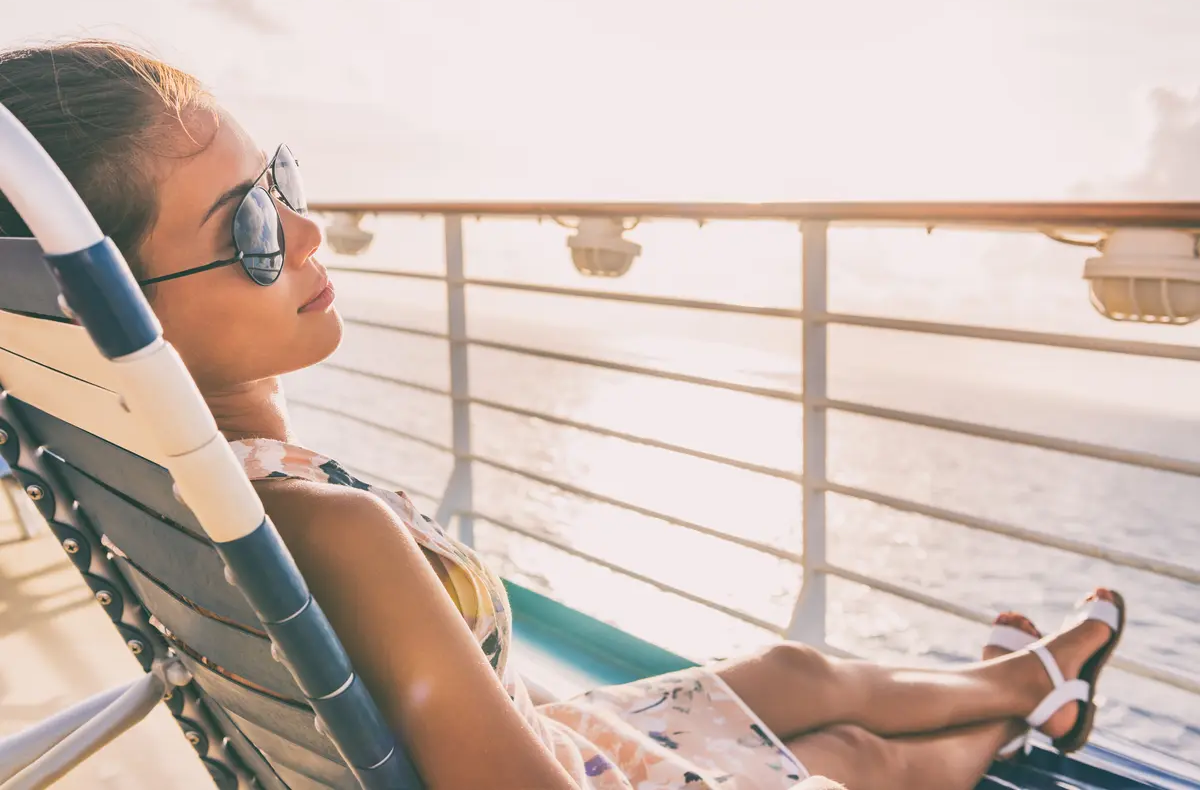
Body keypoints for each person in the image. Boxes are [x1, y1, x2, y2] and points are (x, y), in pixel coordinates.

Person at [0, 41, 1126, 790]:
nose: (305, 232)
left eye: (280, 184)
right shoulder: (330, 533)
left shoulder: (168, 478)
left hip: (545, 739)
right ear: (115, 313)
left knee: (793, 674)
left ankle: (1028, 690)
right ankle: (1027, 710)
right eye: (247, 227)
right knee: (853, 755)